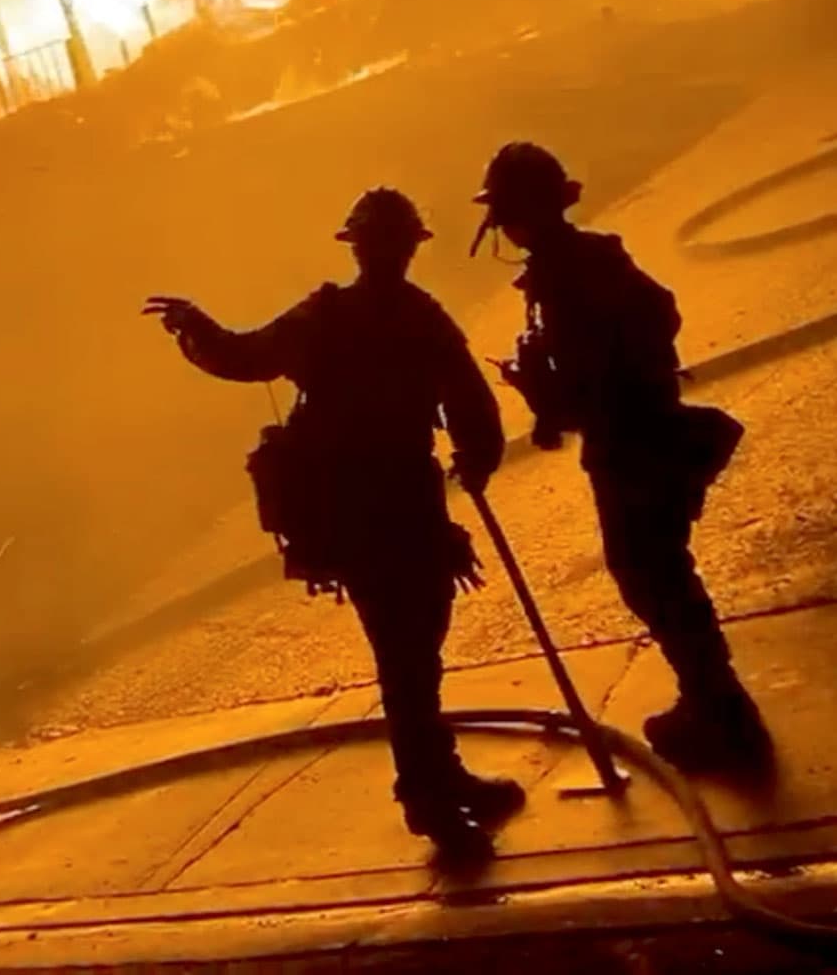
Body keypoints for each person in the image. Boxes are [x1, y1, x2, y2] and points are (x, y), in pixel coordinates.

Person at [146, 189, 523, 862]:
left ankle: (440, 776)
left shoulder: (377, 317)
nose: (391, 256)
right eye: (388, 245)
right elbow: (245, 356)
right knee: (407, 657)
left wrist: (476, 453)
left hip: (400, 504)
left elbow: (465, 394)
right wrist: (196, 328)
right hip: (367, 510)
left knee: (417, 651)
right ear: (386, 248)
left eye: (393, 246)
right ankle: (432, 802)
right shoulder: (374, 316)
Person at [473, 142, 768, 772]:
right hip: (635, 434)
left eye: (503, 212)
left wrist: (549, 393)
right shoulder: (585, 261)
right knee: (657, 572)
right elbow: (656, 313)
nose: (501, 226)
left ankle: (721, 710)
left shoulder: (570, 273)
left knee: (652, 574)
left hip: (632, 444)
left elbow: (600, 372)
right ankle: (716, 701)